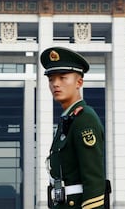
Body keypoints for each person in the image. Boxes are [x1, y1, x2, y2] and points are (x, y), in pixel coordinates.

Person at [40, 46, 106, 209]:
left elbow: (94, 182)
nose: (55, 84)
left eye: (62, 78)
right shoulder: (68, 120)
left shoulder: (85, 119)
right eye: (51, 79)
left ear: (79, 82)